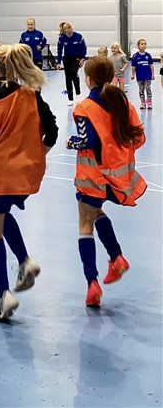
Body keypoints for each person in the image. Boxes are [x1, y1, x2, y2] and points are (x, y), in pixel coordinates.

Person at [0, 44, 57, 322]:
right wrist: (36, 154)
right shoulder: (32, 95)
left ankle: (3, 294)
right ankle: (25, 262)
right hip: (26, 173)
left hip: (0, 174)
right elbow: (53, 132)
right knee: (2, 213)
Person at [67, 56, 146, 308]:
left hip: (92, 177)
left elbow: (87, 140)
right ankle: (116, 258)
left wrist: (72, 142)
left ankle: (92, 283)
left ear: (88, 79)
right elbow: (139, 138)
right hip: (117, 176)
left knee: (84, 225)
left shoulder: (83, 108)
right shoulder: (124, 103)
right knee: (97, 212)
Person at [56, 21, 86, 105]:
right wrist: (58, 62)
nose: (69, 31)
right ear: (64, 31)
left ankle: (77, 89)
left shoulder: (78, 37)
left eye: (70, 28)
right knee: (68, 78)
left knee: (73, 72)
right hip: (67, 59)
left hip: (76, 58)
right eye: (67, 30)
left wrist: (83, 59)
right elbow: (59, 51)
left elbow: (83, 48)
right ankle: (70, 98)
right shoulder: (62, 38)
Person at [130, 38, 154, 109]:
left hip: (148, 76)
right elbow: (133, 67)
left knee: (148, 89)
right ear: (138, 46)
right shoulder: (135, 56)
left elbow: (151, 65)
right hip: (140, 76)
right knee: (141, 90)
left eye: (145, 44)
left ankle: (149, 102)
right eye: (142, 44)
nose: (143, 45)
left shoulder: (148, 55)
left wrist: (152, 74)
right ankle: (142, 103)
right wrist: (133, 74)